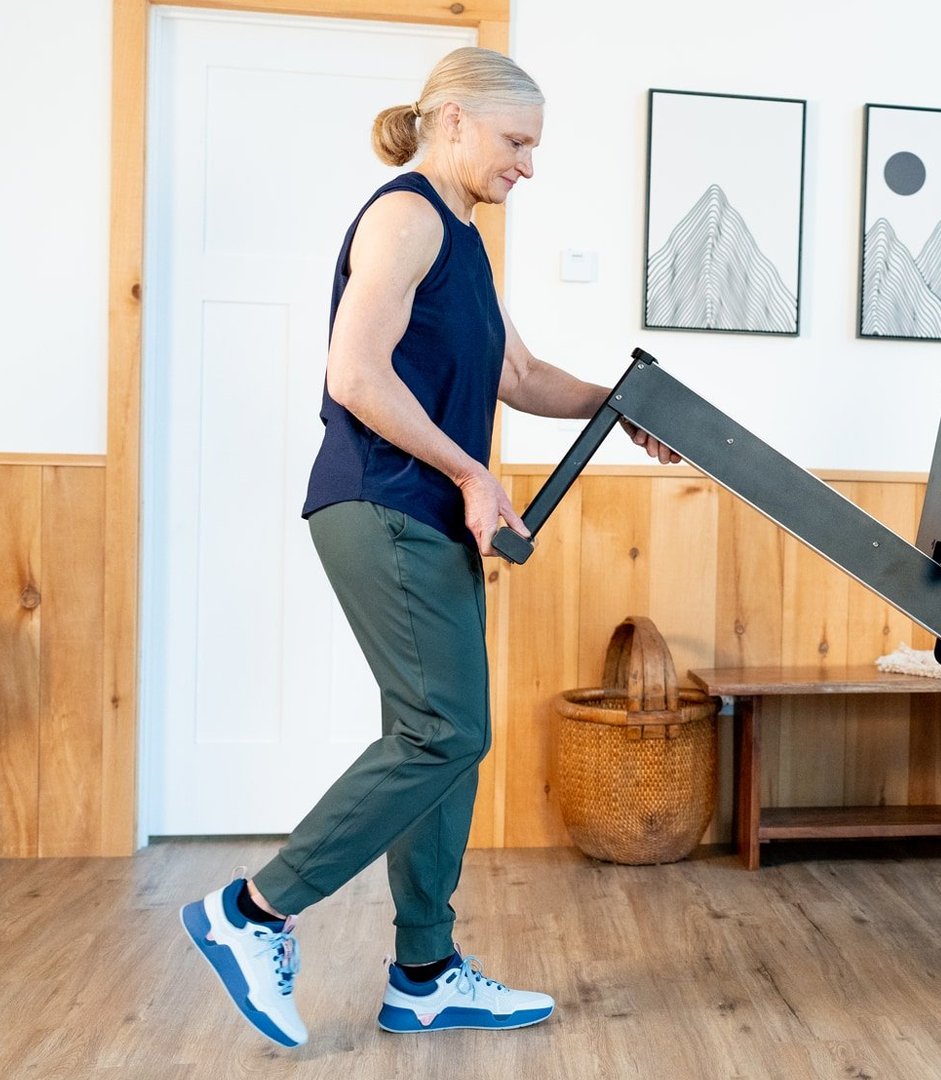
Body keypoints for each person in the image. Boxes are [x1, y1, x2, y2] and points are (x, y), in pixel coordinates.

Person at [178, 46, 678, 1048]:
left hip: (424, 512)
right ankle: (252, 912)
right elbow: (356, 374)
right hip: (387, 500)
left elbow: (523, 372)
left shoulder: (463, 240)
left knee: (446, 744)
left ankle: (425, 973)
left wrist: (619, 407)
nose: (528, 165)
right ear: (452, 120)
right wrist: (471, 472)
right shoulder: (404, 215)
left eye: (534, 147)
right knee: (443, 733)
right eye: (516, 141)